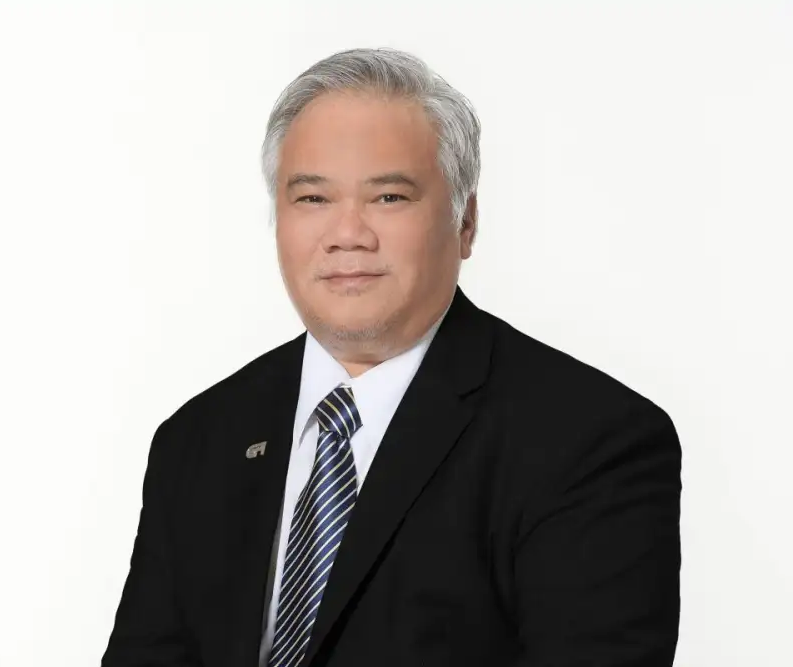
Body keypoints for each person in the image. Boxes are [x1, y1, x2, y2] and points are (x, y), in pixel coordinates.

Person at [101, 47, 681, 667]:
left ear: (465, 222)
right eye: (312, 199)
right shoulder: (197, 440)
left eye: (389, 198)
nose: (348, 234)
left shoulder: (589, 440)